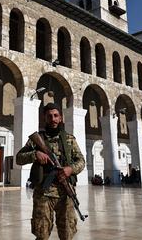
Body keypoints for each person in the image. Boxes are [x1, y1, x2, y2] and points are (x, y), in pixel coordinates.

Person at [16, 103, 86, 240]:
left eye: (56, 116)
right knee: (41, 234)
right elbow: (19, 158)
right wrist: (35, 154)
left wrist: (70, 169)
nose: (53, 119)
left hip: (65, 194)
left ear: (60, 118)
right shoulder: (36, 140)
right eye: (49, 116)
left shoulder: (69, 139)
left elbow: (81, 161)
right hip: (43, 193)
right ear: (45, 119)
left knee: (67, 233)